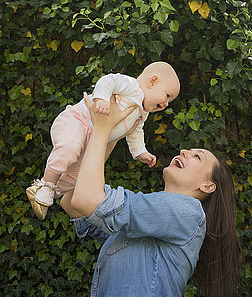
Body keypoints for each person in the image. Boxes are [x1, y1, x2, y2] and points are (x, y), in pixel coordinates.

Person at [60, 93, 241, 297]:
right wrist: (116, 132)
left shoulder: (189, 212)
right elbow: (72, 201)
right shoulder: (148, 214)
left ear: (207, 186)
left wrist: (102, 129)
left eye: (197, 156)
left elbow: (86, 199)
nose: (184, 151)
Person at [26, 61, 180, 220]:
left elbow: (135, 131)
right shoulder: (131, 85)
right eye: (167, 96)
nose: (166, 104)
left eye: (170, 101)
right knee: (70, 147)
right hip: (78, 121)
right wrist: (102, 100)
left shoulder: (143, 113)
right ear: (152, 81)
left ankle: (46, 193)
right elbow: (108, 81)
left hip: (91, 140)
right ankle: (47, 183)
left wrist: (140, 152)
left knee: (78, 175)